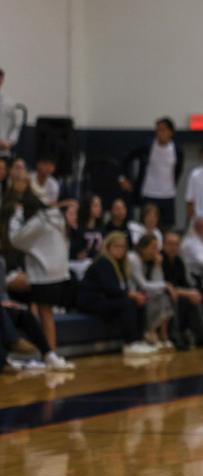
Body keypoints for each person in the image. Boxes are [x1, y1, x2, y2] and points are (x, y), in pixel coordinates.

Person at [7, 192, 76, 370]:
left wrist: (16, 216)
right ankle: (49, 353)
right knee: (44, 313)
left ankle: (49, 354)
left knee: (45, 315)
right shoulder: (55, 216)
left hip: (44, 274)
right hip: (58, 272)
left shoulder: (38, 222)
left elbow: (16, 239)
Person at [77, 231, 157, 356]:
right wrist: (131, 295)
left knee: (139, 302)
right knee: (128, 303)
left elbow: (121, 288)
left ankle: (139, 339)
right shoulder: (103, 262)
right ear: (108, 247)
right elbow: (110, 288)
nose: (120, 250)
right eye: (116, 246)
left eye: (123, 247)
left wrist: (135, 296)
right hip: (92, 301)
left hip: (106, 299)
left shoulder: (120, 264)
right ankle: (130, 343)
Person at [119, 117, 183, 228]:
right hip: (149, 193)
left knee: (167, 226)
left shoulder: (177, 150)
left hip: (168, 195)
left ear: (170, 132)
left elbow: (178, 171)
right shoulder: (148, 147)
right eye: (158, 130)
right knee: (145, 226)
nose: (160, 133)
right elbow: (127, 158)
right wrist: (122, 178)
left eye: (163, 130)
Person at [161, 231, 203, 349]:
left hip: (178, 293)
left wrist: (192, 293)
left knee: (195, 298)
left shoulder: (178, 261)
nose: (173, 247)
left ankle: (202, 336)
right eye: (170, 244)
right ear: (163, 244)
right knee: (177, 299)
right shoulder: (160, 260)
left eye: (176, 244)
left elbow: (185, 283)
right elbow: (163, 284)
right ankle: (175, 336)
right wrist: (188, 293)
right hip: (163, 294)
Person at [128, 233, 175, 349]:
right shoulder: (133, 259)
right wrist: (166, 285)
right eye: (153, 247)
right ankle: (151, 332)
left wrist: (157, 266)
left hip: (141, 292)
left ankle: (160, 334)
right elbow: (143, 284)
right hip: (130, 292)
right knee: (160, 295)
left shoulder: (149, 261)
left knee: (162, 295)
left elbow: (157, 282)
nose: (156, 251)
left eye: (157, 247)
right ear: (143, 248)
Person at [0, 68, 22, 160]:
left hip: (2, 152)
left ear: (2, 80)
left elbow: (16, 125)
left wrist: (9, 142)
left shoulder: (10, 104)